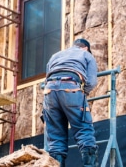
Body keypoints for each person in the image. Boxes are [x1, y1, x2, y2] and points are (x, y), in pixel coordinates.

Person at [42, 38, 98, 167]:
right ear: (86, 48)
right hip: (71, 86)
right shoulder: (86, 54)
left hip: (49, 91)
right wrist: (83, 93)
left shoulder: (55, 55)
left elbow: (47, 77)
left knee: (55, 138)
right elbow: (91, 81)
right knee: (84, 131)